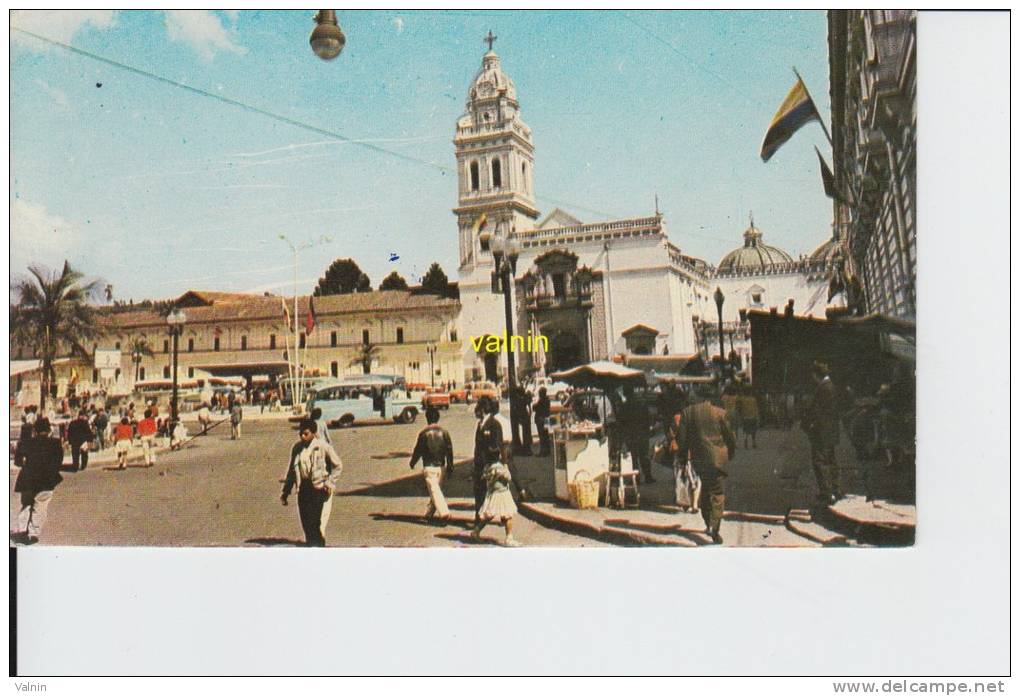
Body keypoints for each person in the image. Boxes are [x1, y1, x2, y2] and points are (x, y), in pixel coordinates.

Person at [673, 386, 736, 545]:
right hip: (718, 460)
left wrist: (683, 456)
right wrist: (731, 451)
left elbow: (681, 439)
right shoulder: (719, 413)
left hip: (698, 459)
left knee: (706, 489)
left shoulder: (687, 413)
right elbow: (730, 436)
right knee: (717, 493)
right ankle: (714, 529)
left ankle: (708, 523)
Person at [280, 419, 342, 547]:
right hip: (303, 488)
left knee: (315, 522)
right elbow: (292, 471)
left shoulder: (323, 446)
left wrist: (330, 483)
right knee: (306, 522)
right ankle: (311, 545)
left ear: (313, 433)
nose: (302, 436)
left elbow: (338, 465)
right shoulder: (297, 448)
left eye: (306, 433)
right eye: (301, 434)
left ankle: (318, 547)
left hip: (318, 489)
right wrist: (286, 491)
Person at [471, 408, 521, 547]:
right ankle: (509, 538)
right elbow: (508, 476)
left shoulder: (486, 425)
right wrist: (505, 466)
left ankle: (476, 531)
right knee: (505, 509)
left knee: (492, 509)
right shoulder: (493, 425)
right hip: (497, 477)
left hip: (489, 471)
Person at [13, 418, 64, 544]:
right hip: (46, 480)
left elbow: (18, 461)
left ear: (34, 430)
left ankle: (22, 529)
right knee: (41, 506)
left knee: (26, 504)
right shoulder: (55, 443)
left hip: (28, 479)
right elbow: (58, 462)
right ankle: (33, 533)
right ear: (49, 430)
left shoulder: (26, 443)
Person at [802, 361, 842, 505]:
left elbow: (817, 411)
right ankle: (835, 490)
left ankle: (827, 492)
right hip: (830, 431)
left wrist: (809, 425)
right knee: (830, 460)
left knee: (820, 462)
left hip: (821, 431)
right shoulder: (830, 386)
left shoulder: (824, 388)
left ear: (816, 374)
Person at [408, 407, 454, 522]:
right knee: (436, 491)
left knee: (434, 491)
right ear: (437, 418)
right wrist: (450, 465)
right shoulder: (444, 432)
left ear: (427, 418)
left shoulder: (424, 433)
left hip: (429, 466)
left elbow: (418, 450)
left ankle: (445, 513)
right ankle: (429, 514)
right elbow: (449, 450)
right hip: (441, 467)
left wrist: (413, 462)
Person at [621, 386, 654, 483]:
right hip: (642, 433)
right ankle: (648, 476)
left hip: (631, 434)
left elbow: (622, 421)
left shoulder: (625, 406)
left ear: (626, 394)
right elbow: (648, 417)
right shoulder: (641, 403)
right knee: (644, 456)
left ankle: (636, 478)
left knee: (634, 458)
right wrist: (648, 429)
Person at [510, 385, 533, 455]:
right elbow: (529, 408)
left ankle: (525, 449)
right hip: (525, 417)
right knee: (527, 434)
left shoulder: (518, 400)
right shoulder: (525, 399)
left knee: (524, 434)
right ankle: (527, 449)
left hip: (522, 417)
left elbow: (517, 409)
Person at [737, 384, 760, 449]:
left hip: (745, 417)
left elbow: (739, 407)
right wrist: (757, 416)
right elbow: (756, 409)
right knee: (753, 430)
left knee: (746, 430)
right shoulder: (753, 399)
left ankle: (746, 440)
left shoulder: (742, 399)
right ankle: (753, 442)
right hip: (753, 417)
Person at [533, 387, 552, 457]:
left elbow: (534, 407)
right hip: (546, 418)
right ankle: (547, 450)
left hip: (541, 419)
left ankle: (543, 452)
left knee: (542, 436)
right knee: (546, 435)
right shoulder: (547, 400)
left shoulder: (542, 400)